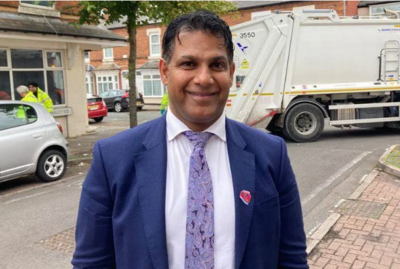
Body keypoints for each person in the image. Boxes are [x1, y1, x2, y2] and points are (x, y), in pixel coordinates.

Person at [72, 10, 308, 269]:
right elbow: (91, 263)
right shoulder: (113, 158)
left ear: (230, 73)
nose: (204, 78)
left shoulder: (271, 154)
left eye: (216, 65)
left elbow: (291, 258)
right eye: (188, 64)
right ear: (164, 71)